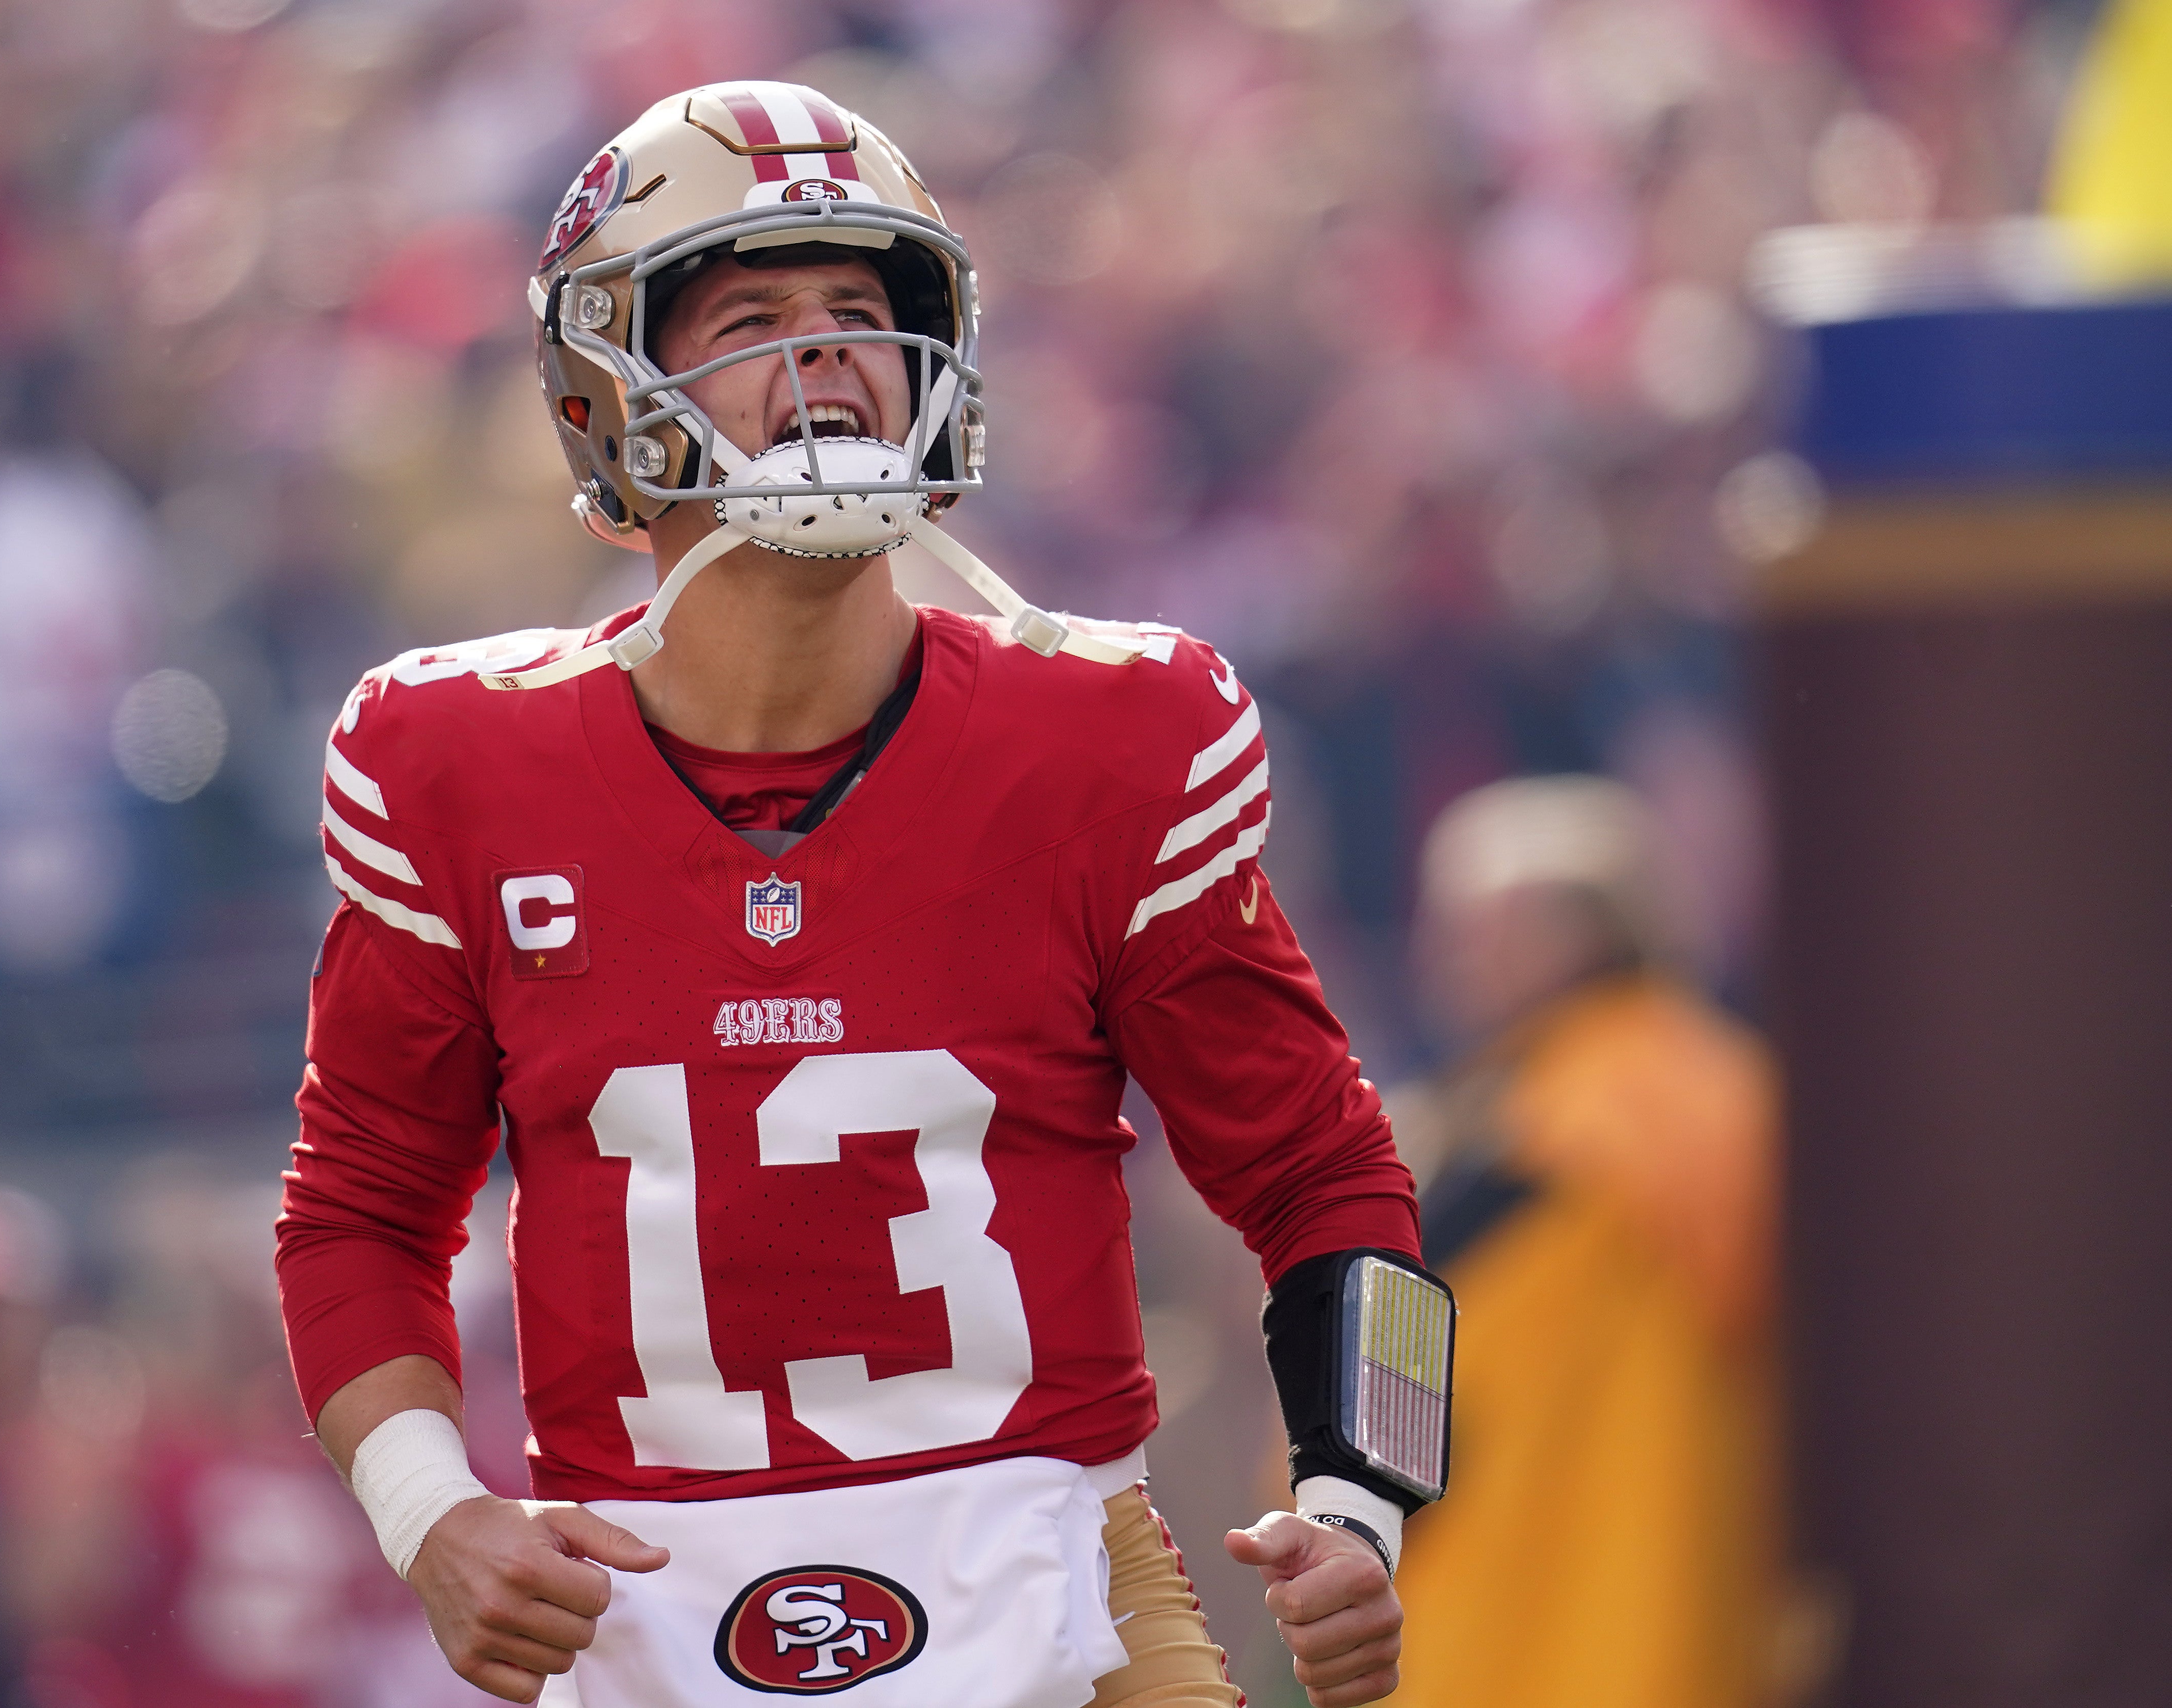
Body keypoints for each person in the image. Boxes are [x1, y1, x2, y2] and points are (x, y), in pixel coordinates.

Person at [275, 82, 1445, 1708]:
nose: (822, 354)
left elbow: (1328, 1173)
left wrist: (1361, 1498)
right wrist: (433, 1519)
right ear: (610, 390)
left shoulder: (1115, 735)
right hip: (637, 1603)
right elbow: (359, 1212)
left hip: (1045, 1575)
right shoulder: (455, 760)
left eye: (857, 312)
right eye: (749, 315)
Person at [1387, 776, 1786, 1708]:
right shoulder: (1739, 1095)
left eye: (1472, 932)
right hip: (1714, 1621)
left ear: (1568, 937)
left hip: (1517, 1638)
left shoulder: (1524, 1157)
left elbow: (1382, 1414)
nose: (1441, 964)